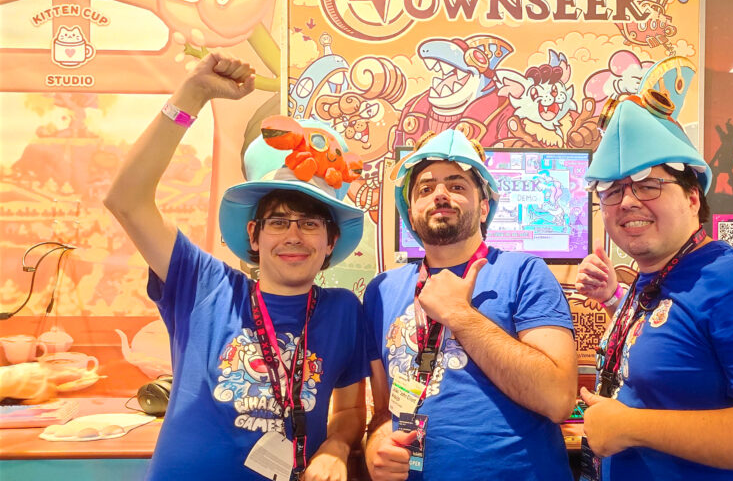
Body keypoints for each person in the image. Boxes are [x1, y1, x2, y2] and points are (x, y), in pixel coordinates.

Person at [104, 53, 371, 481]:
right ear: (253, 235)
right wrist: (193, 95)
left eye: (310, 224)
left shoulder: (344, 310)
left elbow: (351, 407)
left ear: (330, 241)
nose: (293, 236)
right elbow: (126, 201)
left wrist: (337, 448)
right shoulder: (203, 284)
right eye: (278, 222)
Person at [574, 91, 733, 480]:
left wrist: (629, 427)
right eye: (613, 191)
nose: (627, 202)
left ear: (691, 197)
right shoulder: (657, 277)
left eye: (648, 184)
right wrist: (613, 299)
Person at [362, 129, 577, 481]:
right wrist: (375, 447)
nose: (440, 195)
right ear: (410, 212)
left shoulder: (524, 272)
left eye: (457, 186)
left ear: (484, 207)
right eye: (425, 189)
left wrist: (460, 315)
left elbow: (559, 398)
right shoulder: (382, 290)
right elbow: (385, 411)